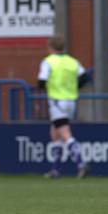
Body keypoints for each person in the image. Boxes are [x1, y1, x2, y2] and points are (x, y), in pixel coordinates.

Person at [37, 35, 90, 179]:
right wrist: (75, 87)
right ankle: (55, 169)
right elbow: (85, 77)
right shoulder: (72, 61)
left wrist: (45, 89)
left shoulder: (49, 61)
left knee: (65, 134)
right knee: (55, 134)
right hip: (70, 101)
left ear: (50, 48)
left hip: (56, 101)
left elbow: (42, 81)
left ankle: (81, 162)